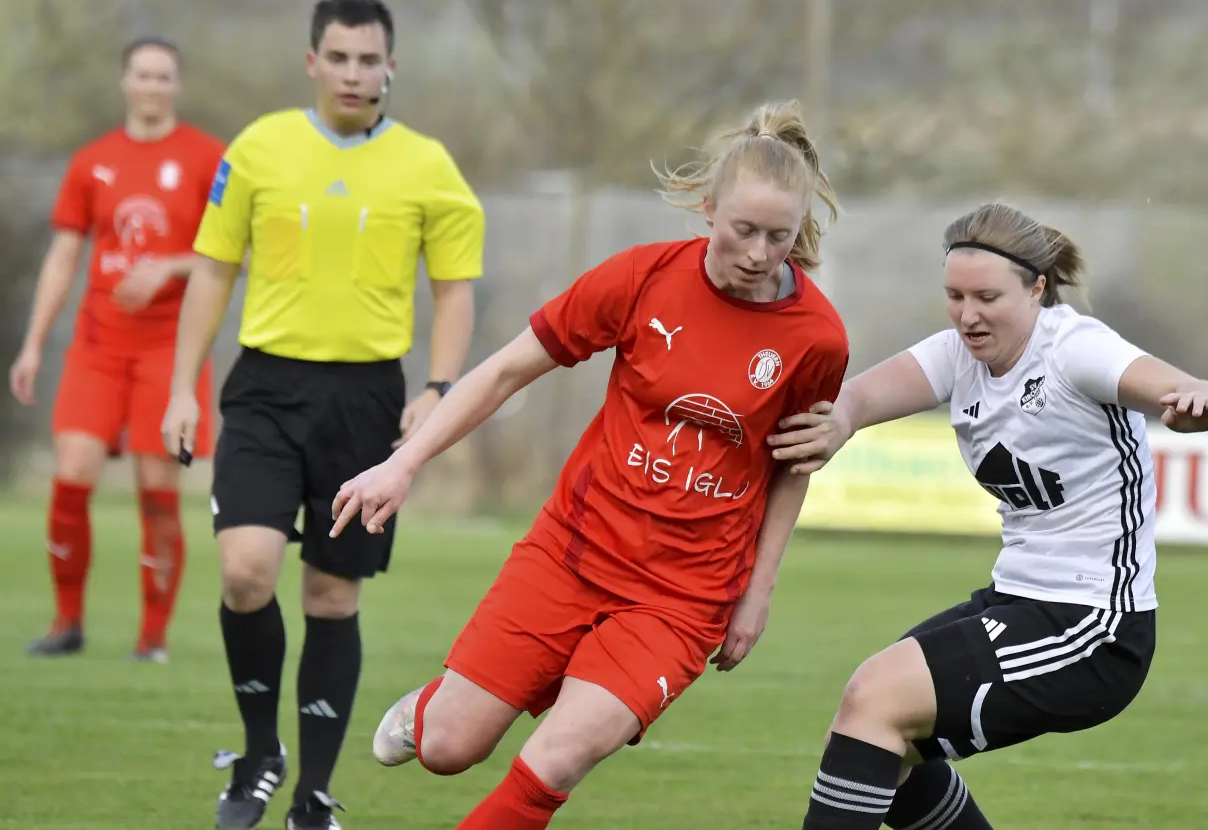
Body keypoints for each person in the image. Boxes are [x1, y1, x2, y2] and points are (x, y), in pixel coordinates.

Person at [329, 100, 850, 830]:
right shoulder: (641, 279)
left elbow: (794, 465)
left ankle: (565, 695)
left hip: (683, 597)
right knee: (449, 748)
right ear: (707, 209)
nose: (760, 254)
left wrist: (758, 591)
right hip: (571, 555)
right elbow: (508, 370)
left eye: (779, 237)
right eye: (743, 231)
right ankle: (433, 708)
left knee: (556, 757)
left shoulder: (816, 338)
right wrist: (405, 462)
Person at [766, 203, 1208, 830]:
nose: (967, 314)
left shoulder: (1073, 348)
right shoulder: (959, 354)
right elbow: (864, 396)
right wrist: (837, 423)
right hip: (1017, 599)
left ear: (1038, 287)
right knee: (868, 736)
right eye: (954, 296)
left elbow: (1170, 385)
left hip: (1095, 627)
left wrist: (1193, 399)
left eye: (987, 297)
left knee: (876, 698)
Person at [160, 0, 485, 830]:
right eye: (337, 57)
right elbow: (210, 273)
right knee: (244, 572)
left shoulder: (427, 166)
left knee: (333, 598)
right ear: (312, 62)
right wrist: (179, 388)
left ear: (390, 66)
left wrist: (439, 390)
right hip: (266, 388)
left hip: (367, 399)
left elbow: (454, 292)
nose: (353, 73)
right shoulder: (260, 150)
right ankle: (259, 753)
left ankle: (313, 795)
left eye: (368, 58)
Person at [13, 36, 225, 663]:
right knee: (71, 473)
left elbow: (232, 253)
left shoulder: (208, 158)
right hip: (98, 345)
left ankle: (151, 639)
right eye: (142, 75)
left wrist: (169, 267)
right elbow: (63, 259)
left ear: (177, 85)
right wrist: (30, 345)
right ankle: (66, 622)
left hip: (171, 348)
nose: (153, 86)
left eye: (164, 76)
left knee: (157, 487)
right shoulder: (92, 161)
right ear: (124, 81)